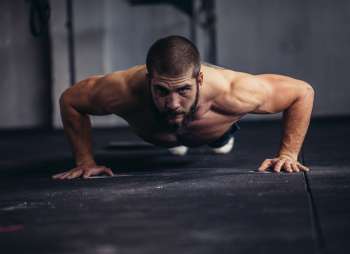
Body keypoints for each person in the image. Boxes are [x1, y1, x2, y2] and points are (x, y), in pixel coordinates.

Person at [53, 35, 314, 180]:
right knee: (173, 137)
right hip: (159, 133)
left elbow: (302, 92)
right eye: (162, 91)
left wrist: (288, 155)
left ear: (199, 80)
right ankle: (177, 138)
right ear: (149, 81)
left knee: (221, 144)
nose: (173, 102)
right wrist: (85, 160)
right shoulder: (121, 89)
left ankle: (220, 138)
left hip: (216, 129)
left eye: (183, 90)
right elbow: (70, 100)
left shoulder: (233, 90)